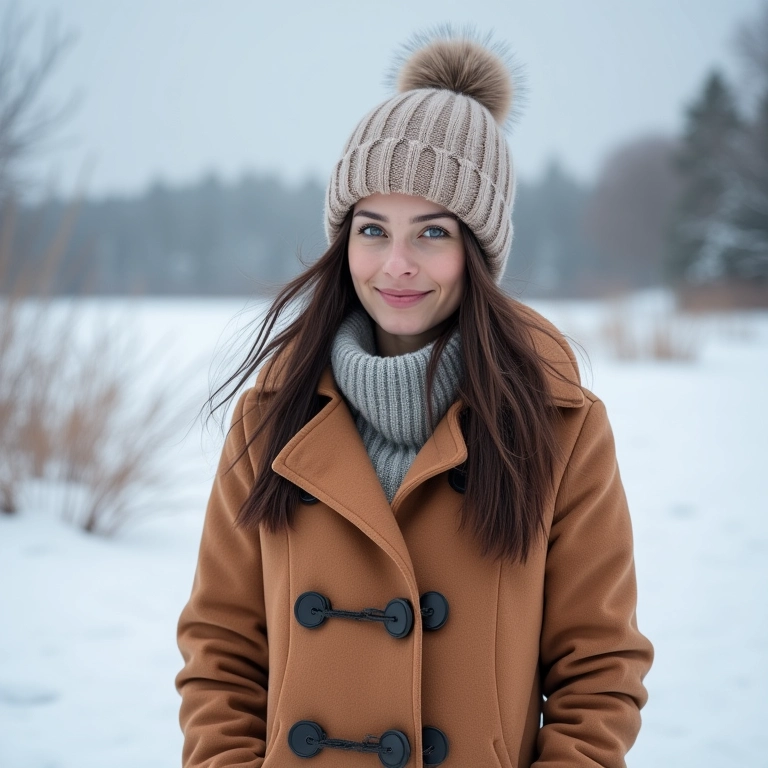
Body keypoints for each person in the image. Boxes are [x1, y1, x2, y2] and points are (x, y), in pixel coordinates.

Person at [175, 29, 653, 768]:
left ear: (478, 251)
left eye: (432, 232)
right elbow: (221, 651)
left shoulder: (560, 428)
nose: (396, 265)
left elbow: (599, 668)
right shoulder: (270, 418)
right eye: (373, 230)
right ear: (345, 241)